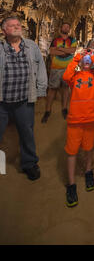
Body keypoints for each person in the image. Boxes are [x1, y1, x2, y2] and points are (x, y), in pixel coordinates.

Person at [0, 16, 47, 180]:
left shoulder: (31, 46)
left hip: (24, 99)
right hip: (2, 100)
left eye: (18, 25)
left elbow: (40, 67)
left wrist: (41, 89)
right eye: (12, 25)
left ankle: (29, 163)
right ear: (4, 30)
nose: (16, 27)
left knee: (27, 132)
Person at [62, 48, 94, 207]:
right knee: (72, 151)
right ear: (80, 62)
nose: (87, 60)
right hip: (75, 119)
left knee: (88, 148)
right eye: (85, 59)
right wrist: (76, 58)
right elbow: (65, 76)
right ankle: (71, 184)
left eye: (89, 59)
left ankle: (88, 172)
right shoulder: (74, 77)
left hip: (90, 119)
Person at [41, 22, 77, 123]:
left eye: (68, 27)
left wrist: (60, 49)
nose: (66, 28)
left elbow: (73, 50)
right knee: (52, 89)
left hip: (68, 68)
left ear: (69, 29)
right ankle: (47, 110)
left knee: (66, 88)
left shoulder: (72, 39)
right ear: (61, 28)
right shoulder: (56, 40)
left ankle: (64, 108)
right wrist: (66, 51)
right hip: (56, 67)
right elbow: (52, 51)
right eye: (64, 26)